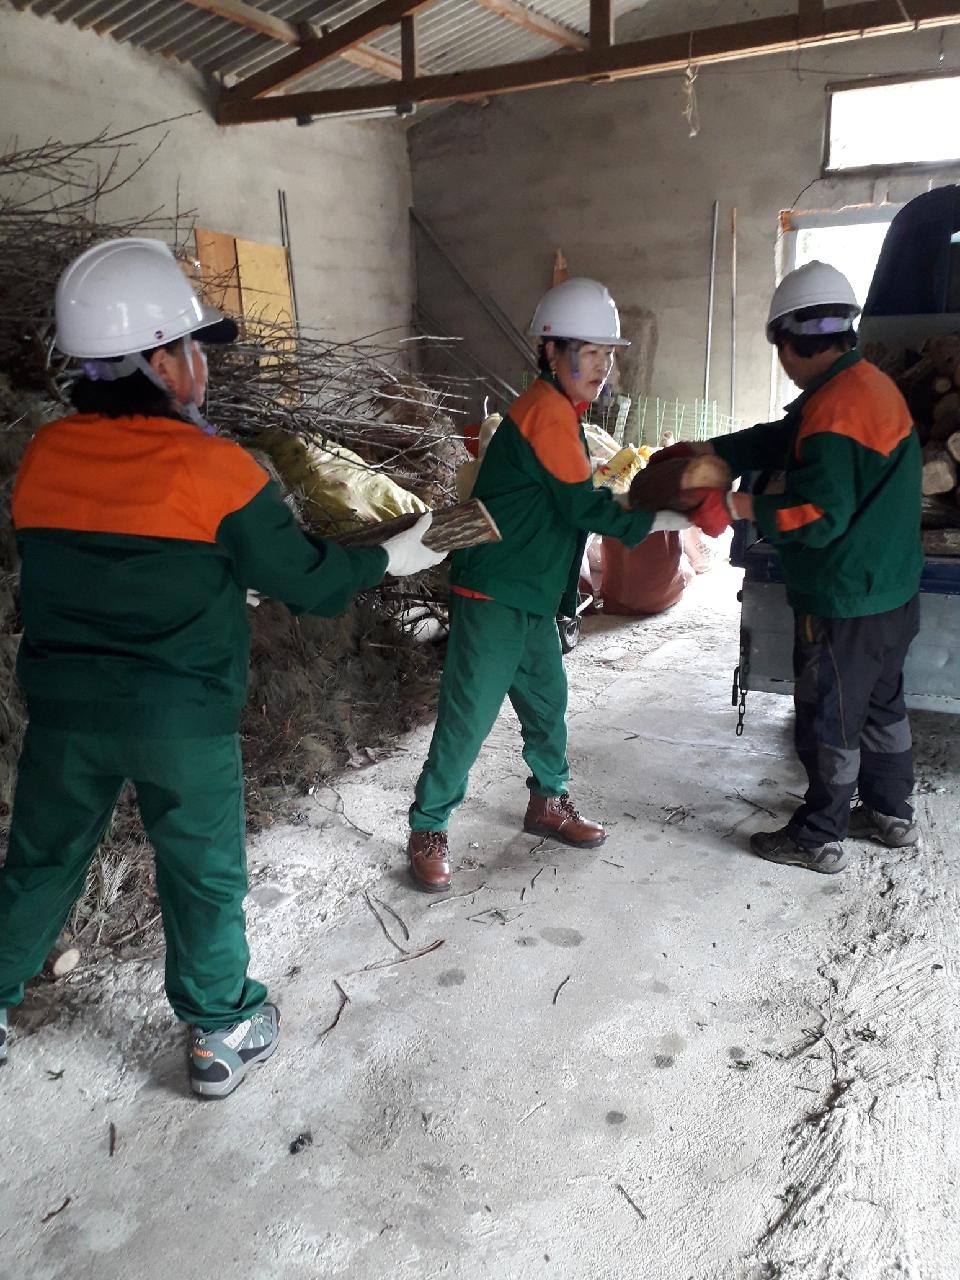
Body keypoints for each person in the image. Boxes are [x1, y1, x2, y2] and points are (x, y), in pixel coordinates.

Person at [0, 238, 445, 1095]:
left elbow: (96, 564)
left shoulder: (45, 456)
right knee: (201, 873)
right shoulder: (214, 468)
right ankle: (218, 1030)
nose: (202, 365)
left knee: (42, 860)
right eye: (193, 348)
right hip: (179, 719)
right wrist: (393, 558)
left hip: (66, 710)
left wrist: (207, 578)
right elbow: (308, 582)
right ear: (161, 362)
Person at [406, 277, 689, 893]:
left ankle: (547, 802)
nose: (603, 367)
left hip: (530, 593)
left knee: (546, 702)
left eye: (608, 354)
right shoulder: (545, 414)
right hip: (494, 591)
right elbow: (582, 508)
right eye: (590, 352)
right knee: (468, 719)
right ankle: (428, 826)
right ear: (552, 352)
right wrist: (667, 516)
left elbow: (572, 502)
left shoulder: (562, 414)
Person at [678, 260, 922, 875]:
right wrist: (713, 451)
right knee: (883, 708)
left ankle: (818, 837)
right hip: (891, 593)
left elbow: (818, 517)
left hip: (844, 599)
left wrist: (736, 505)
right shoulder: (862, 386)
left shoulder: (836, 411)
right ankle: (892, 814)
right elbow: (782, 437)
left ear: (789, 343)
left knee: (828, 719)